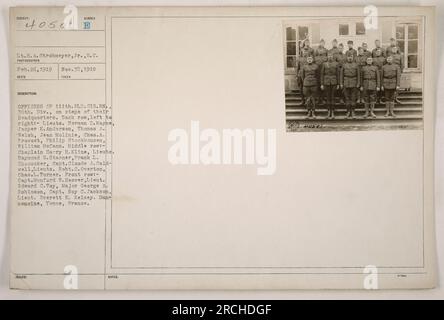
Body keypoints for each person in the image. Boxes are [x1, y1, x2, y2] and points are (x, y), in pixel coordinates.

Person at [340, 51, 360, 118]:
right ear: (347, 57)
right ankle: (348, 111)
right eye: (348, 57)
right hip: (346, 83)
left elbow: (358, 75)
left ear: (353, 57)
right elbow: (341, 75)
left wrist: (358, 83)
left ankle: (353, 112)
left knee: (353, 98)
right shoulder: (344, 65)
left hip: (354, 83)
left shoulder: (356, 65)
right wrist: (341, 83)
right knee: (347, 98)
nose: (350, 58)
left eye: (351, 57)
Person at [320, 52, 340, 119]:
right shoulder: (324, 64)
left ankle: (333, 112)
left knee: (333, 97)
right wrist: (322, 84)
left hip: (334, 82)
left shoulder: (336, 64)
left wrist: (338, 84)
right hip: (326, 82)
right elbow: (322, 74)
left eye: (331, 55)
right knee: (328, 97)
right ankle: (329, 111)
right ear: (327, 56)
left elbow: (338, 74)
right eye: (329, 55)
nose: (330, 57)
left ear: (333, 56)